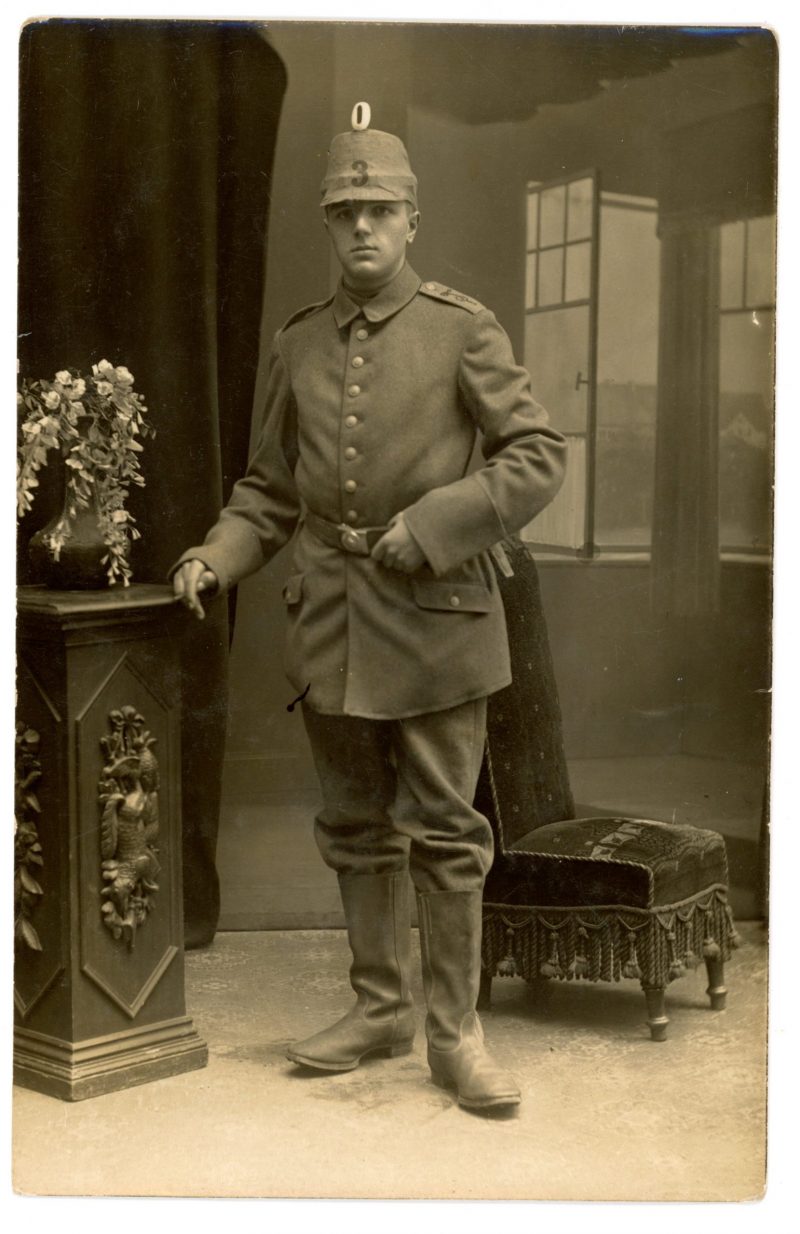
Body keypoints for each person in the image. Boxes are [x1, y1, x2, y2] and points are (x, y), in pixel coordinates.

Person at [172, 104, 567, 1111]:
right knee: (353, 825)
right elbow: (267, 491)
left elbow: (535, 455)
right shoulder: (297, 343)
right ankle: (380, 1005)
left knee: (443, 829)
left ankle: (454, 1033)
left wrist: (436, 522)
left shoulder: (459, 327)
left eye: (378, 209)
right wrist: (217, 556)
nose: (360, 227)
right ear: (327, 222)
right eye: (343, 210)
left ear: (409, 221)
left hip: (436, 622)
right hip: (332, 626)